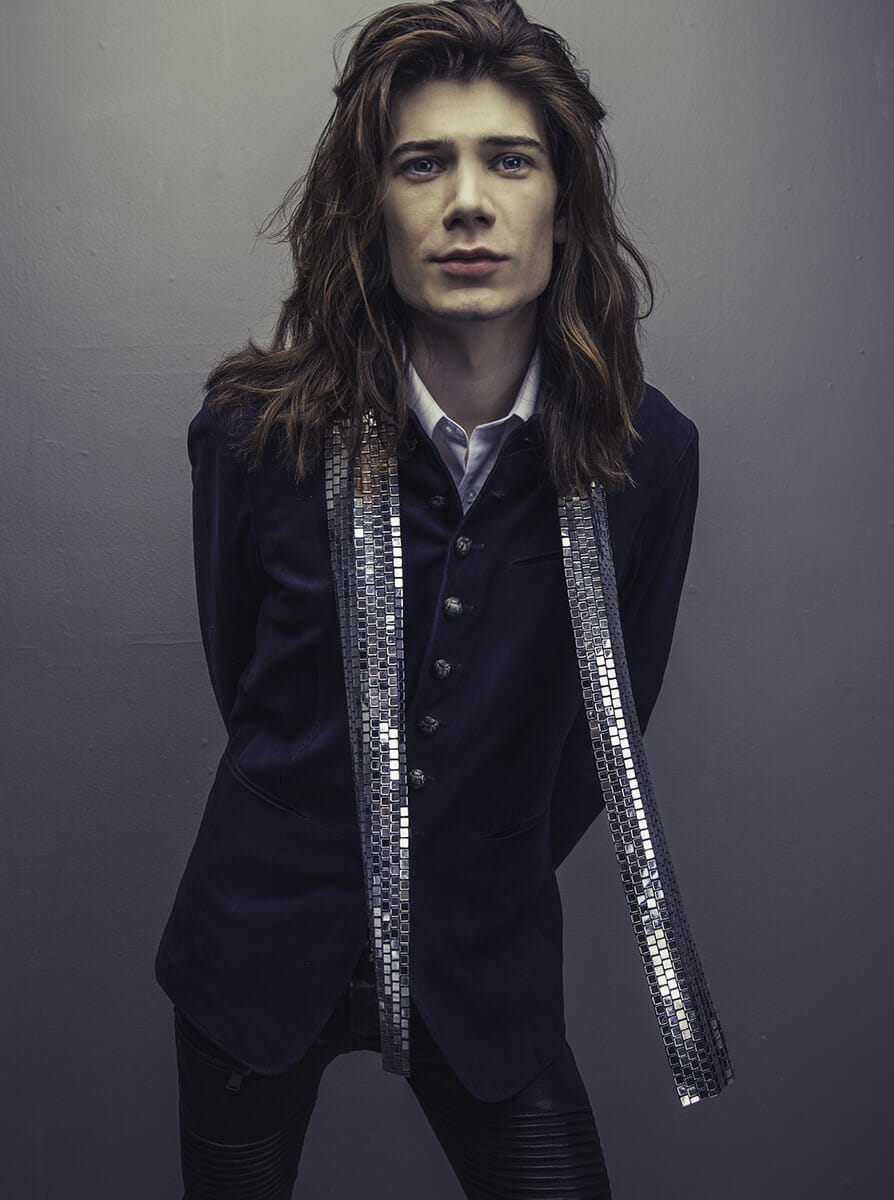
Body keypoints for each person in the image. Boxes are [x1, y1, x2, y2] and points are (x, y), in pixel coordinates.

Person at [156, 2, 731, 1196]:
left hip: (486, 960)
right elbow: (244, 676)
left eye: (509, 160)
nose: (468, 202)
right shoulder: (254, 435)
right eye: (423, 164)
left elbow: (604, 738)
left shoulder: (648, 456)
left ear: (563, 204)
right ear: (372, 205)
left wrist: (476, 861)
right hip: (258, 946)